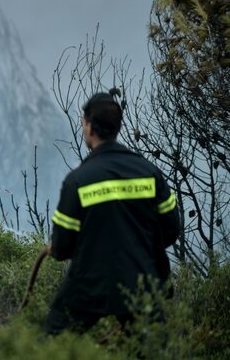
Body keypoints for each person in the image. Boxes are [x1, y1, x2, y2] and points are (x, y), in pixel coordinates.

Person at [44, 88, 181, 335]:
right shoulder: (150, 172)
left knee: (52, 341)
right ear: (117, 127)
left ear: (88, 127)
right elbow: (171, 229)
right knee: (151, 350)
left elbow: (62, 246)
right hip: (142, 282)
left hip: (90, 286)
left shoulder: (78, 180)